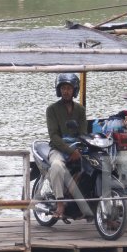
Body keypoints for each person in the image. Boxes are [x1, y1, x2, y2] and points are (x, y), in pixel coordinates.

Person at [46, 73, 87, 219]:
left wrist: (78, 149)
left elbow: (83, 133)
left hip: (78, 148)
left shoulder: (80, 110)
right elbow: (54, 136)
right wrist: (70, 151)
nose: (66, 91)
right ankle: (60, 203)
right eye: (63, 88)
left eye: (69, 88)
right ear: (59, 90)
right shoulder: (52, 109)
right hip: (58, 148)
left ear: (74, 90)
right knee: (56, 166)